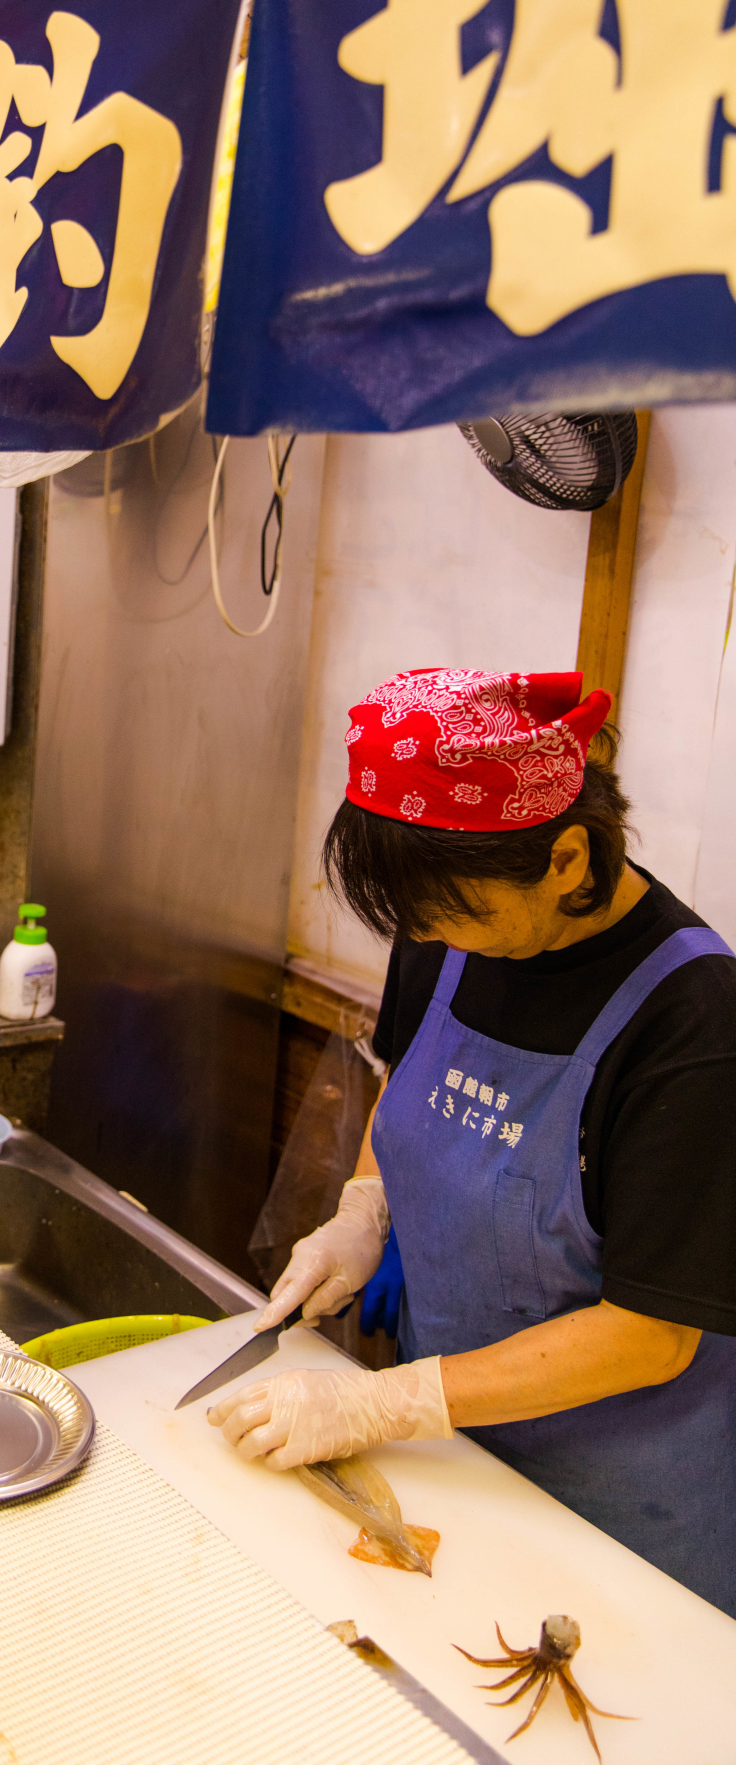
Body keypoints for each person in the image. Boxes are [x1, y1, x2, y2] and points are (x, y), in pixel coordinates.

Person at [208, 667, 736, 1616]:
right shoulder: (444, 928)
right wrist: (360, 1211)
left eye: (454, 912)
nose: (425, 937)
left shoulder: (696, 1027)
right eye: (413, 919)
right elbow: (402, 1088)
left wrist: (382, 1403)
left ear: (568, 860)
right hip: (457, 1456)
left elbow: (653, 1334)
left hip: (621, 1508)